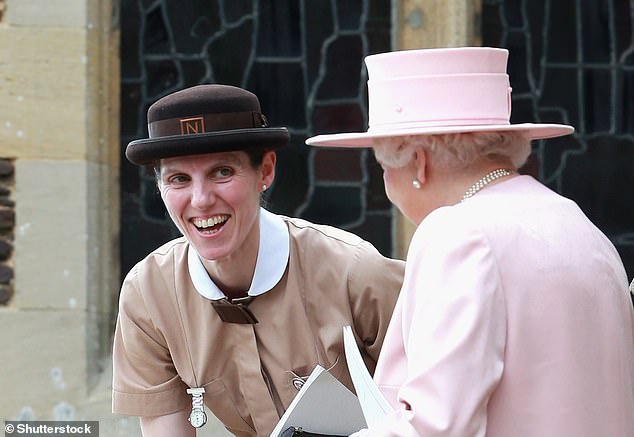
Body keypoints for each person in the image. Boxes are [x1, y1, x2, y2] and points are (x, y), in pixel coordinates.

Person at [307, 47, 634, 436]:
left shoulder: (458, 234)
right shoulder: (578, 224)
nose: (386, 185)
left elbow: (436, 425)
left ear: (419, 164)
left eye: (384, 167)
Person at [112, 84, 405, 436]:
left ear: (265, 171)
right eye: (179, 179)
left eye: (222, 172)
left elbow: (441, 410)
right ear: (160, 188)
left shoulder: (356, 272)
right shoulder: (148, 296)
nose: (201, 199)